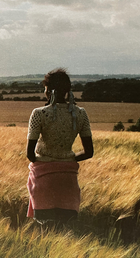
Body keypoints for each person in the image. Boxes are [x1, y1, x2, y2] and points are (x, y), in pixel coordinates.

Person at [26, 68, 94, 228]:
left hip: (43, 180)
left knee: (45, 230)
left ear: (48, 91)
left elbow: (30, 153)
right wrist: (66, 158)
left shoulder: (39, 114)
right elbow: (89, 152)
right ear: (67, 90)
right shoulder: (81, 114)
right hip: (68, 180)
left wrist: (47, 160)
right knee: (67, 231)